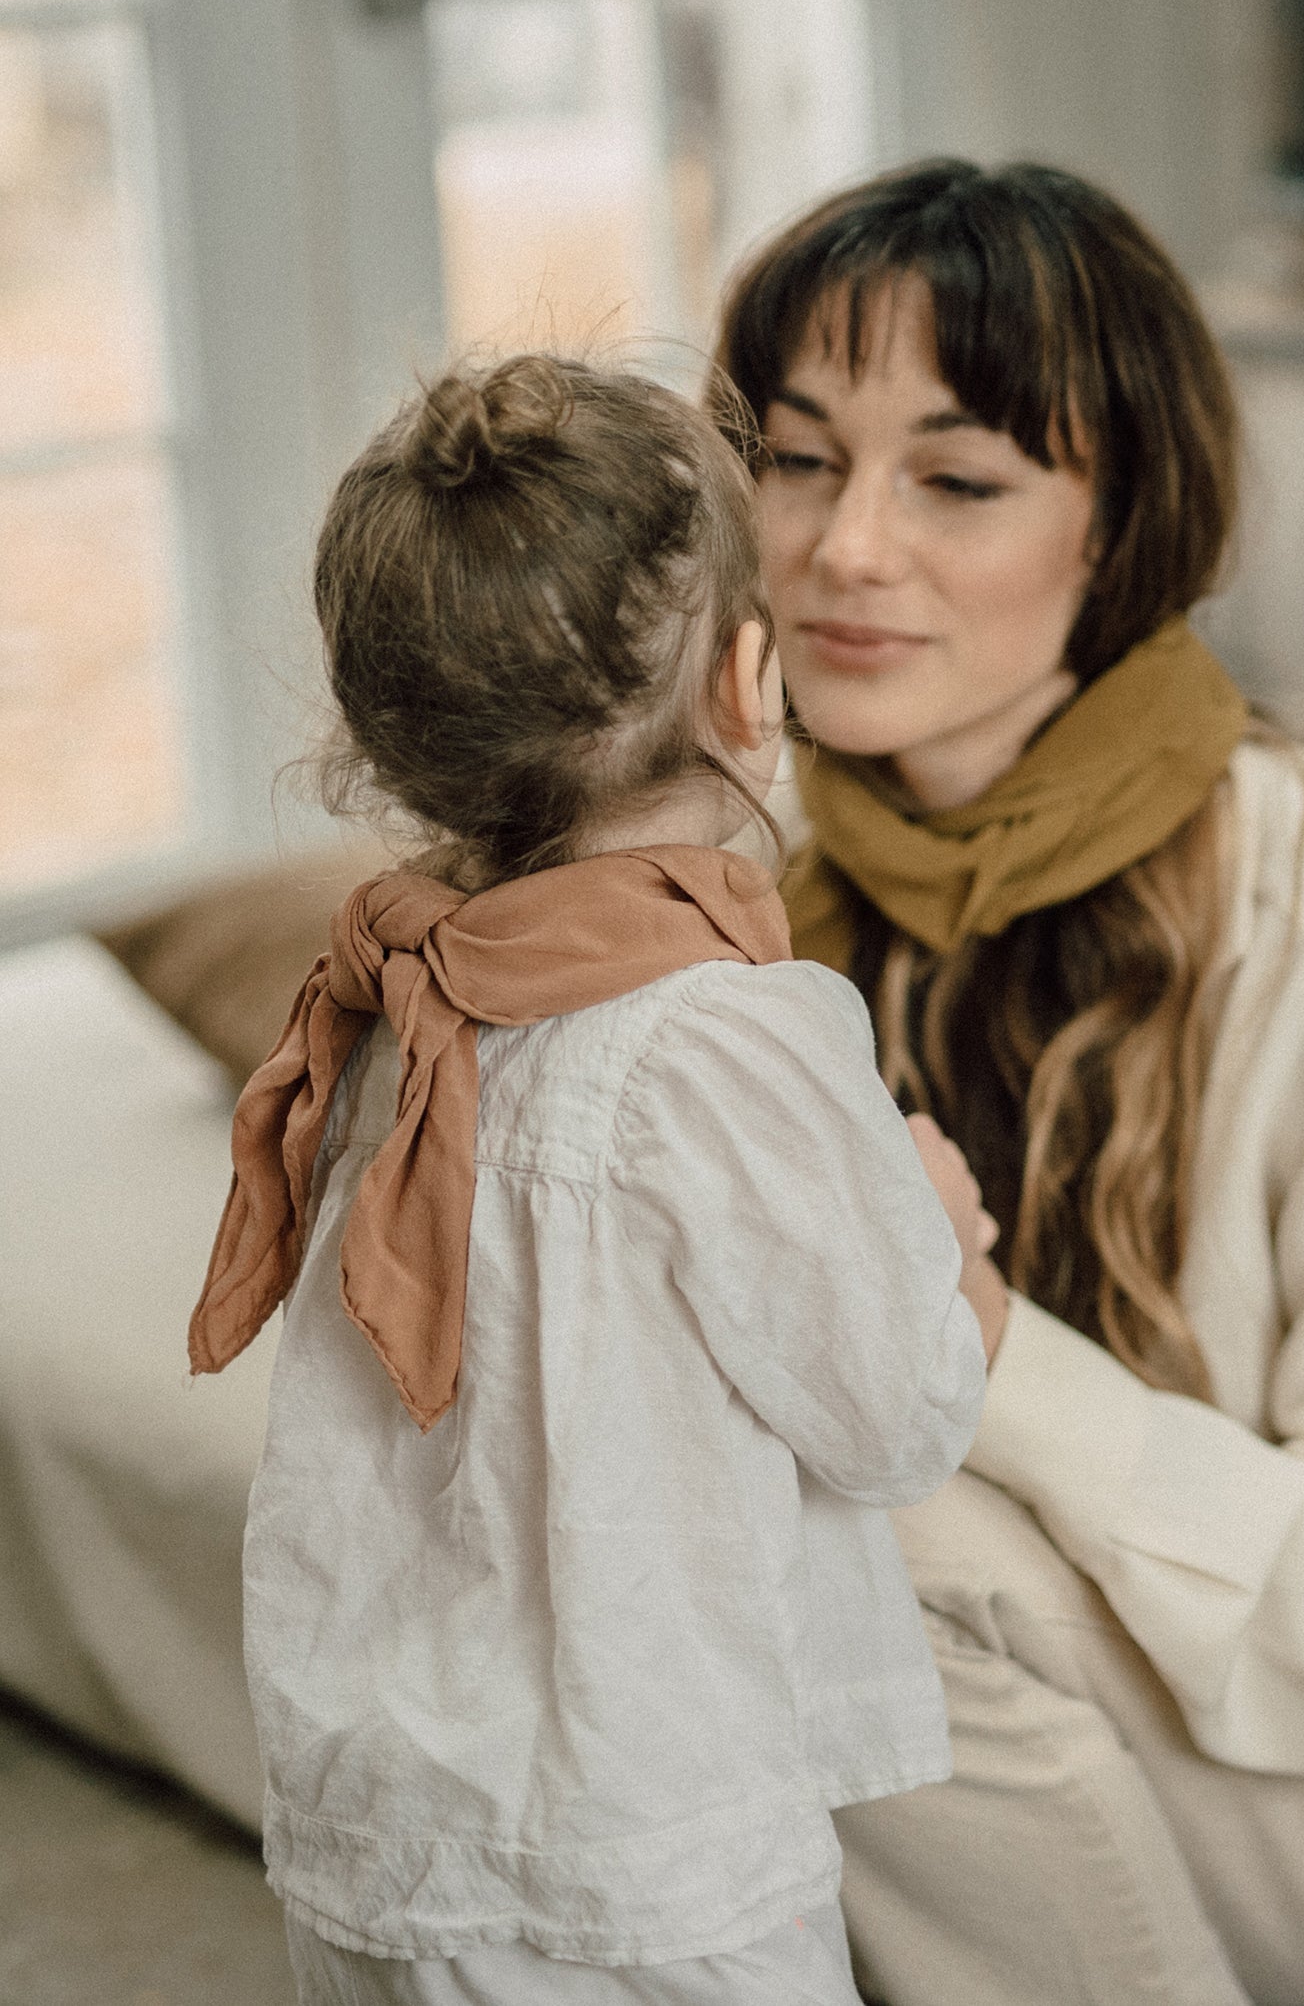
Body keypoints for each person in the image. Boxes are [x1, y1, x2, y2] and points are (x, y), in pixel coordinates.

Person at [710, 159, 1304, 2006]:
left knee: (865, 1534)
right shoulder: (768, 865)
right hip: (1063, 1658)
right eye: (799, 457)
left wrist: (976, 1347)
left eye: (960, 479)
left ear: (1121, 521)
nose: (843, 548)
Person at [185, 354, 1005, 2006]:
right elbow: (896, 1419)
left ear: (385, 737)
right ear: (750, 691)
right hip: (643, 1856)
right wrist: (950, 1253)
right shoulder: (724, 1046)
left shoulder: (390, 1018)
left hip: (378, 1838)